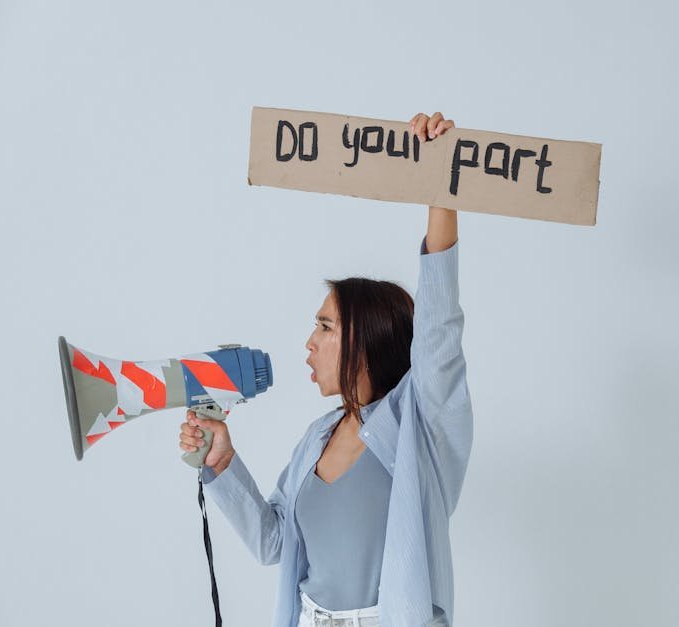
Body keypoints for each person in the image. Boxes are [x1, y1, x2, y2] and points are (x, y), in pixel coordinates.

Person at [179, 111, 471, 627]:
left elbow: (438, 331)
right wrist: (222, 462)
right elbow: (273, 542)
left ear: (367, 336)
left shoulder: (419, 427)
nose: (309, 344)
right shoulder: (317, 438)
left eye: (326, 327)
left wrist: (440, 187)